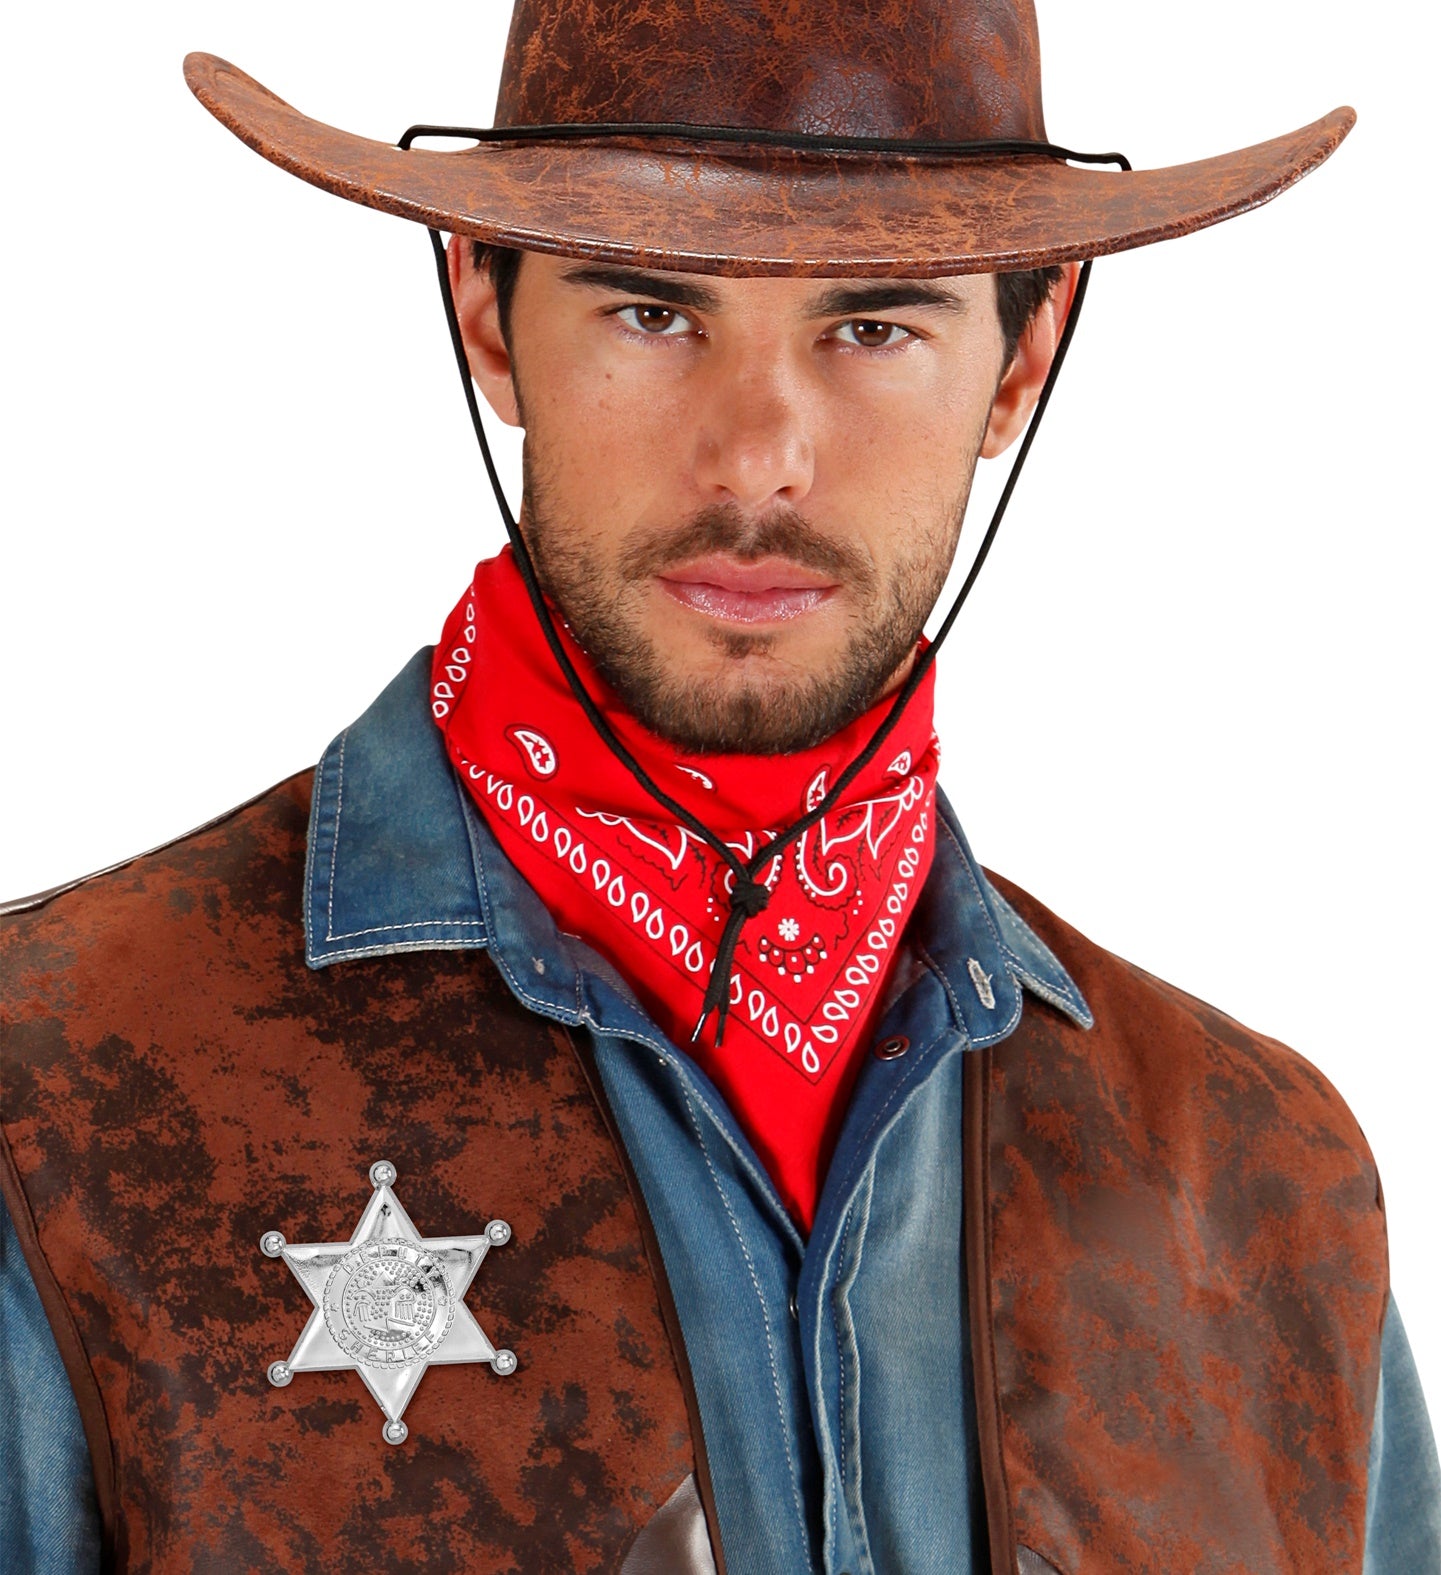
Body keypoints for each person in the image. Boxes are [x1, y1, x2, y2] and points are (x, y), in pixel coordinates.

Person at [2, 0, 1437, 1570]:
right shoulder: (53, 1090)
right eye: (650, 310)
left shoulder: (1258, 1184)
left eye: (871, 327)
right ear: (488, 311)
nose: (757, 459)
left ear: (1021, 358)